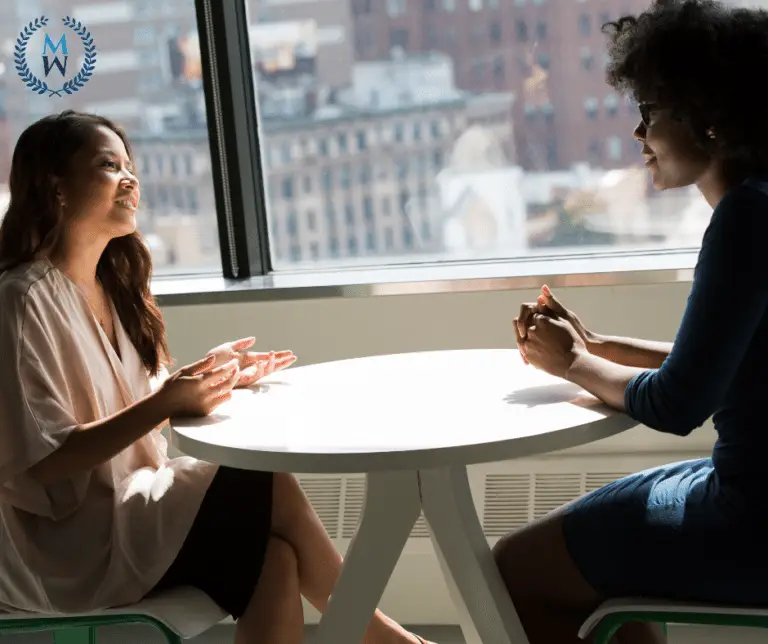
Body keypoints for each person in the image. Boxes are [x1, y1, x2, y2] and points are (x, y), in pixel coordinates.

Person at [0, 110, 434, 644]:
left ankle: (387, 639)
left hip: (130, 512)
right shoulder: (22, 299)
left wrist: (208, 379)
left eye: (130, 164)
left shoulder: (114, 291)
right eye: (109, 166)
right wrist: (164, 404)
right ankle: (388, 639)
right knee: (263, 478)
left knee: (271, 558)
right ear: (55, 187)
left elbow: (135, 404)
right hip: (70, 549)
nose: (131, 178)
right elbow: (41, 461)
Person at [492, 1, 768, 643]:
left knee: (513, 569)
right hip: (749, 494)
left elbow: (679, 404)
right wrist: (599, 345)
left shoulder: (743, 223)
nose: (638, 134)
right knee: (601, 540)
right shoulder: (760, 207)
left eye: (650, 111)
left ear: (708, 120)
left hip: (751, 520)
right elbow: (734, 362)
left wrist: (572, 364)